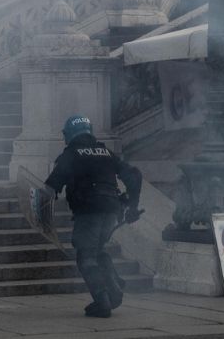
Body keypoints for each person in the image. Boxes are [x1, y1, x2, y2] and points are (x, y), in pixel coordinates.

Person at [44, 115, 142, 318]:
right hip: (111, 210)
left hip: (88, 211)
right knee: (98, 251)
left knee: (86, 257)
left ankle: (103, 301)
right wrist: (132, 206)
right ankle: (114, 291)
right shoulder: (105, 152)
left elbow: (49, 188)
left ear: (68, 134)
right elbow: (135, 175)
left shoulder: (70, 154)